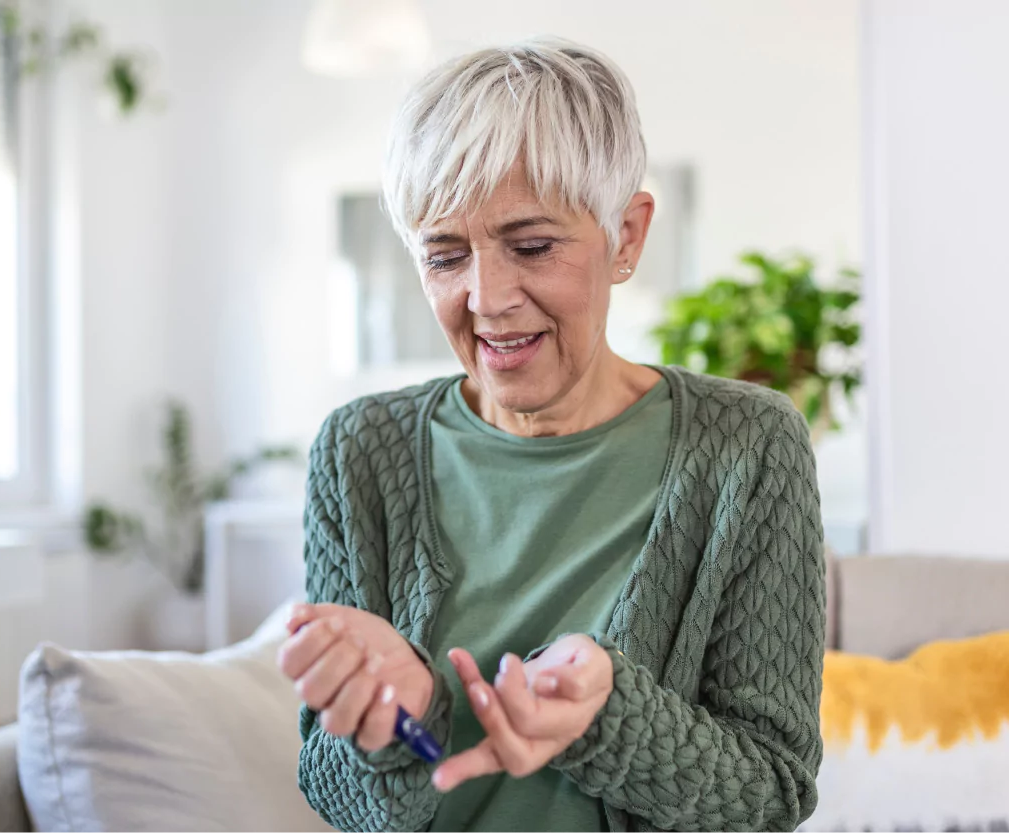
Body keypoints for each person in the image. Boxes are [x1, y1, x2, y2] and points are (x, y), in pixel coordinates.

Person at [277, 36, 825, 833]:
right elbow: (334, 788)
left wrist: (609, 716)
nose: (487, 297)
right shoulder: (359, 452)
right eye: (445, 255)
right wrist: (409, 717)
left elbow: (772, 790)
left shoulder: (749, 447)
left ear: (627, 236)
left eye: (532, 246)